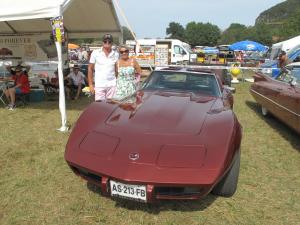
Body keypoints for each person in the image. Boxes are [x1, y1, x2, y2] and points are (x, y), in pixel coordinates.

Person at [88, 34, 119, 101]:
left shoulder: (116, 54)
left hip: (112, 85)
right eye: (105, 41)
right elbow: (90, 69)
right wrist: (90, 85)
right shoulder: (95, 53)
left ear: (112, 43)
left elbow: (117, 70)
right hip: (99, 85)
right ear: (102, 42)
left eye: (109, 42)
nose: (107, 43)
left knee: (111, 106)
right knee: (99, 107)